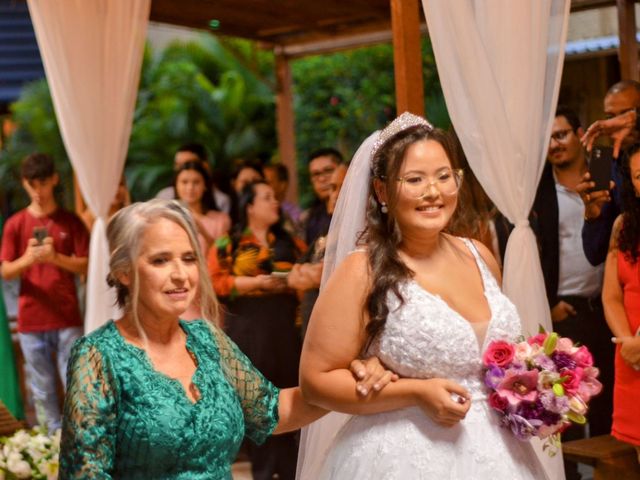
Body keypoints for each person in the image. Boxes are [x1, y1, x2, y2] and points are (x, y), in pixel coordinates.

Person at [59, 199, 390, 479]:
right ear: (124, 271)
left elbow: (272, 409)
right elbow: (84, 473)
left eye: (188, 258)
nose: (180, 274)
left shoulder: (207, 339)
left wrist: (354, 374)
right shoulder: (98, 356)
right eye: (160, 260)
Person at [298, 113, 548, 479]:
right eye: (415, 180)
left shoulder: (479, 255)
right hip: (404, 458)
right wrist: (414, 393)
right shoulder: (362, 271)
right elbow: (315, 381)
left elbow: (501, 359)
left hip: (501, 454)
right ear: (383, 191)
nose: (433, 192)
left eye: (444, 176)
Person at [534, 107, 614, 479]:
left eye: (562, 134)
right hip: (563, 311)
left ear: (580, 135)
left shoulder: (604, 179)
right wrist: (549, 304)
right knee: (562, 405)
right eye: (549, 138)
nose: (555, 144)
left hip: (605, 308)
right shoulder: (537, 192)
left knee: (606, 404)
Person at [208, 180, 305, 480]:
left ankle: (293, 469)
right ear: (249, 206)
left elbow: (308, 275)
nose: (274, 202)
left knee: (290, 392)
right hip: (248, 328)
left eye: (275, 197)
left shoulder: (289, 240)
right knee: (255, 399)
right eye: (267, 198)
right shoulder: (230, 243)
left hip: (285, 328)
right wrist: (252, 283)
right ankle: (262, 470)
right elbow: (212, 281)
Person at [0, 153, 89, 432]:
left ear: (54, 179)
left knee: (72, 380)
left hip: (66, 315)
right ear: (24, 184)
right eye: (31, 184)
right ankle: (51, 444)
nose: (38, 191)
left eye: (42, 183)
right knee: (42, 388)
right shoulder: (15, 224)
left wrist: (55, 258)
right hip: (32, 318)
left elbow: (87, 263)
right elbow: (5, 270)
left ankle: (78, 440)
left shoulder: (70, 221)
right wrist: (29, 258)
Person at [602, 142, 640, 464]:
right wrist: (628, 342)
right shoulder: (623, 226)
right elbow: (611, 296)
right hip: (632, 357)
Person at [578, 81, 640, 266]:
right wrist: (592, 215)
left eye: (625, 114)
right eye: (610, 116)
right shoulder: (602, 164)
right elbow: (594, 255)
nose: (615, 124)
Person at [157, 143, 231, 215]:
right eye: (177, 164)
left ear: (205, 166)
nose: (182, 168)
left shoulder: (221, 201)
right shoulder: (164, 196)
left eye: (188, 163)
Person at [301, 148, 343, 246]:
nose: (322, 178)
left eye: (328, 170)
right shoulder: (309, 218)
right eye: (316, 174)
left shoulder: (359, 211)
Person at [263, 163, 302, 229]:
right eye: (262, 183)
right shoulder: (258, 211)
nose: (263, 187)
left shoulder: (295, 215)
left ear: (282, 185)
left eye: (268, 183)